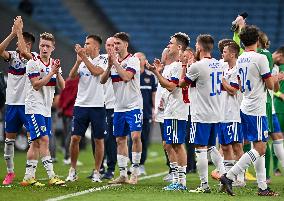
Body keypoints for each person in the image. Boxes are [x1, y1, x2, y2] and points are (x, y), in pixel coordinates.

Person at [220, 25, 278, 196]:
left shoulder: (242, 58)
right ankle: (229, 176)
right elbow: (270, 86)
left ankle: (262, 187)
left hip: (245, 106)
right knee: (261, 149)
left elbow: (239, 80)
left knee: (256, 146)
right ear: (258, 40)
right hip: (257, 108)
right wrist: (274, 79)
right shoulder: (260, 58)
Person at [180, 34, 226, 193]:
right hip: (216, 112)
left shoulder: (197, 67)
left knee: (200, 148)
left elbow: (182, 84)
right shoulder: (219, 64)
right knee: (212, 147)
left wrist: (184, 65)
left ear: (199, 47)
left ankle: (204, 185)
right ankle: (224, 176)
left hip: (201, 114)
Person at [21, 32, 65, 186]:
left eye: (47, 46)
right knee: (44, 140)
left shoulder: (54, 63)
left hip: (46, 108)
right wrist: (52, 72)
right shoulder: (33, 62)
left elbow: (63, 87)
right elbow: (36, 84)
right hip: (34, 107)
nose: (44, 48)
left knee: (35, 143)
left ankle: (28, 177)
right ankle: (52, 176)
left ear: (53, 48)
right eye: (42, 45)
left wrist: (57, 72)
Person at [148, 32, 190, 190]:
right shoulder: (173, 66)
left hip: (177, 110)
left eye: (171, 43)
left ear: (179, 47)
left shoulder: (179, 66)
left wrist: (156, 73)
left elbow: (172, 86)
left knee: (177, 145)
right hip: (170, 110)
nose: (168, 45)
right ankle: (177, 179)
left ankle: (181, 182)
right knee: (169, 144)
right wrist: (159, 71)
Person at [101, 32, 143, 185]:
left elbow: (126, 77)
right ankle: (123, 174)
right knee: (120, 139)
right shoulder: (112, 61)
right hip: (118, 107)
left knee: (136, 137)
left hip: (134, 106)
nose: (115, 46)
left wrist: (116, 64)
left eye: (118, 43)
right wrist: (109, 65)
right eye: (113, 44)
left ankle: (135, 172)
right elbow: (102, 80)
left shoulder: (133, 60)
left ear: (126, 45)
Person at [66, 35, 107, 183]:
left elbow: (97, 72)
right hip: (81, 105)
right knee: (75, 138)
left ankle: (97, 171)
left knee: (98, 140)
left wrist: (83, 58)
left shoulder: (104, 59)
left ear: (96, 46)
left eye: (87, 43)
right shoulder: (83, 61)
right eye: (85, 43)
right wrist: (78, 62)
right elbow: (71, 76)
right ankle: (72, 170)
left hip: (97, 106)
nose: (85, 45)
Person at [0, 16, 35, 185]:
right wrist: (13, 34)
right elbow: (0, 50)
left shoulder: (34, 57)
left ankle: (30, 173)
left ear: (28, 44)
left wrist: (19, 32)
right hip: (12, 104)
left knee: (32, 140)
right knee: (8, 141)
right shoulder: (12, 56)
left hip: (27, 104)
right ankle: (10, 172)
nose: (16, 46)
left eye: (20, 42)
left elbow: (23, 52)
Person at [219, 41, 245, 187]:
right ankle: (229, 178)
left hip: (233, 113)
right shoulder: (224, 67)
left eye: (225, 51)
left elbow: (233, 90)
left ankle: (240, 178)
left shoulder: (237, 70)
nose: (222, 53)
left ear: (233, 54)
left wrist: (222, 80)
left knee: (236, 146)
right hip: (222, 113)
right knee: (224, 147)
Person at [128, 52, 157, 176]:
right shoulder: (130, 74)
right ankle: (132, 163)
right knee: (132, 138)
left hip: (145, 113)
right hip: (132, 111)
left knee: (144, 139)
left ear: (145, 61)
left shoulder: (150, 77)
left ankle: (141, 164)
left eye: (141, 59)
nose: (138, 60)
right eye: (136, 58)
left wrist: (154, 111)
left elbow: (154, 95)